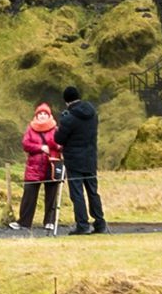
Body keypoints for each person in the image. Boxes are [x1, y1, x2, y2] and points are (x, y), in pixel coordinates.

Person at [56, 85, 105, 233]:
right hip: (90, 159)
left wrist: (62, 122)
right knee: (93, 191)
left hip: (74, 160)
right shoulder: (93, 113)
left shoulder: (69, 118)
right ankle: (100, 222)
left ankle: (82, 225)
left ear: (66, 101)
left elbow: (59, 138)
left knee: (77, 193)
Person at [10, 102, 60, 232]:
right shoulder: (31, 129)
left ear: (49, 115)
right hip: (34, 167)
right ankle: (24, 222)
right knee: (29, 195)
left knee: (52, 195)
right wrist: (41, 148)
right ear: (36, 116)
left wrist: (52, 146)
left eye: (45, 114)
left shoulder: (55, 129)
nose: (42, 116)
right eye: (40, 114)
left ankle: (50, 221)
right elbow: (26, 144)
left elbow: (60, 144)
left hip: (51, 165)